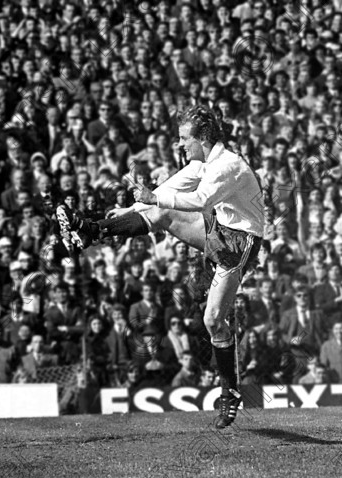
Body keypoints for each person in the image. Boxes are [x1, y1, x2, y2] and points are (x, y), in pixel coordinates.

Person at [55, 106, 264, 428]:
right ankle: (91, 232)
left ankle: (230, 391)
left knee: (213, 320)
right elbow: (166, 194)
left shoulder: (228, 165)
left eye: (184, 138)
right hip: (219, 229)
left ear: (203, 137)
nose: (180, 144)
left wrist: (151, 198)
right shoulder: (204, 162)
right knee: (162, 215)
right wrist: (130, 208)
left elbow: (200, 201)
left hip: (240, 244)